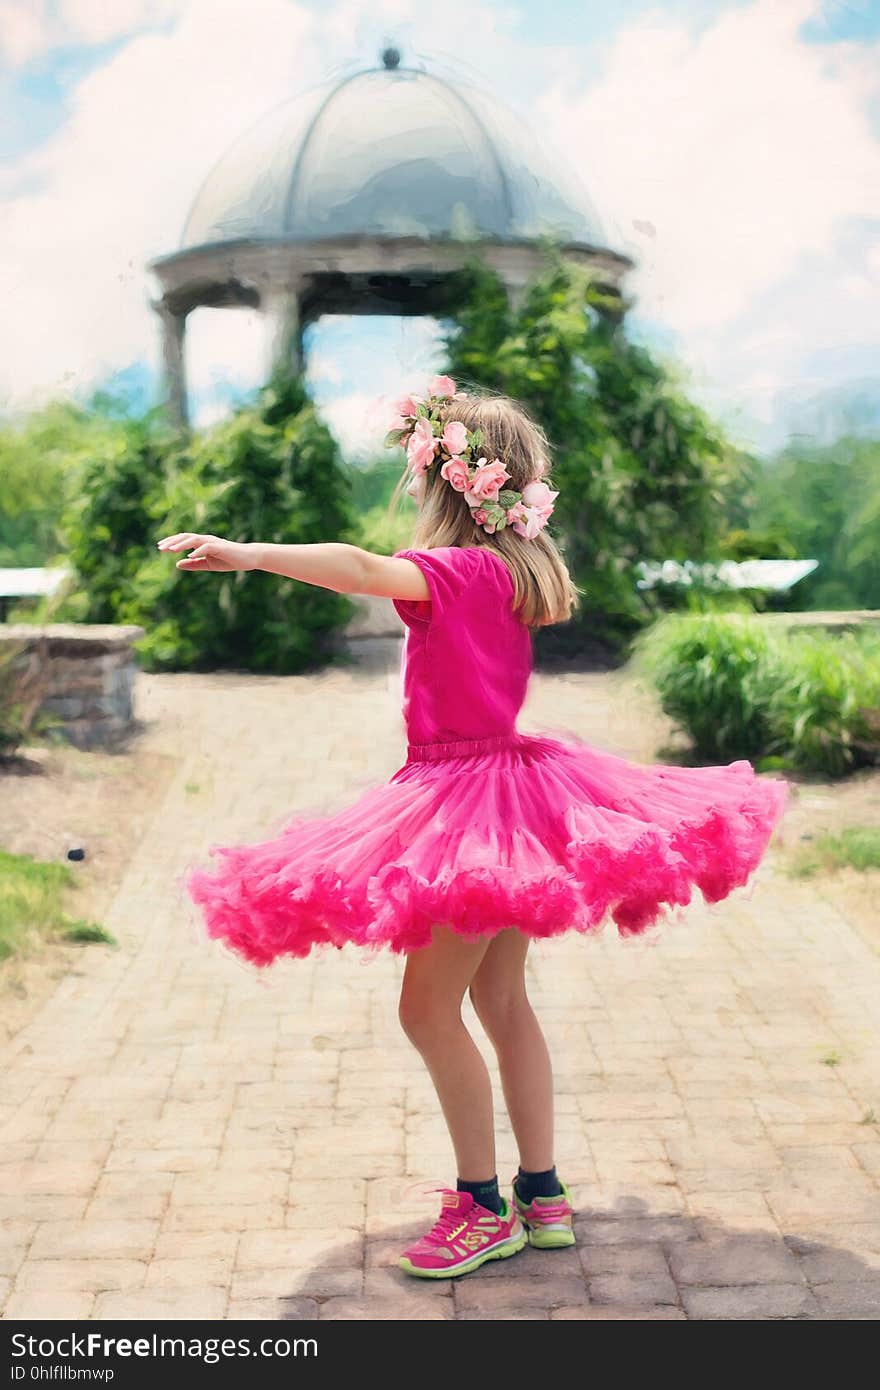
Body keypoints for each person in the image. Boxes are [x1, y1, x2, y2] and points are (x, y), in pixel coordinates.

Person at [157, 376, 789, 1280]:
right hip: (516, 787)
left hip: (467, 808)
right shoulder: (514, 573)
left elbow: (363, 568)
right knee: (501, 1002)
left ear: (444, 483)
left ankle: (482, 1206)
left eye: (418, 477)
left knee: (427, 1009)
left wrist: (249, 551)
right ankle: (545, 1193)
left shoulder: (451, 572)